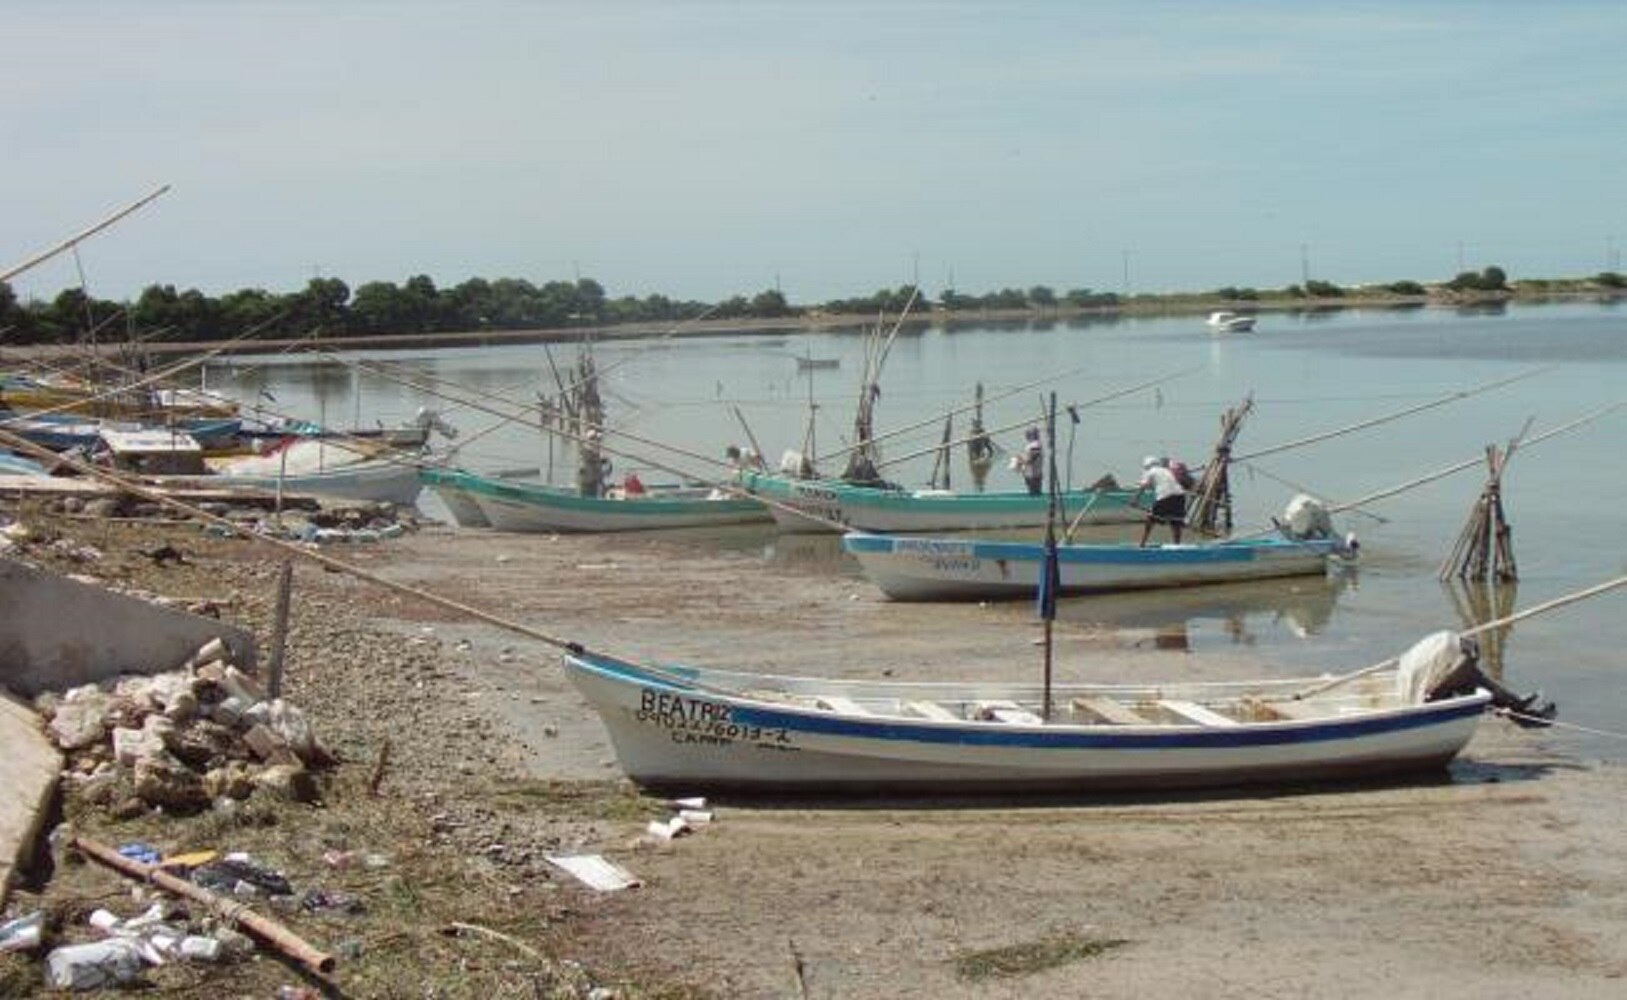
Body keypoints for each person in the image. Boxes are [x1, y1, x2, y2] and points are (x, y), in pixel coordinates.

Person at [1136, 455, 1187, 546]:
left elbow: (1143, 487)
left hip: (1165, 496)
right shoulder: (1166, 470)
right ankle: (1177, 545)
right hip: (1180, 496)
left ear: (1147, 466)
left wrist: (1135, 500)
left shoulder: (1150, 471)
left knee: (1150, 519)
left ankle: (1142, 544)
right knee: (1175, 521)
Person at [1016, 427, 1044, 495]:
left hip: (1033, 475)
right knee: (1033, 492)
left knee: (1034, 493)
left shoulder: (1035, 445)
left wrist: (1021, 461)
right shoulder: (1033, 445)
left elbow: (1032, 458)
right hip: (1031, 474)